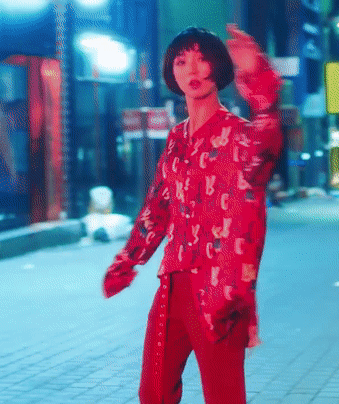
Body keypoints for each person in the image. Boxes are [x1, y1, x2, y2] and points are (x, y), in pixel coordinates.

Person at [103, 24, 282, 404]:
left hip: (221, 290)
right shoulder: (176, 138)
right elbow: (158, 207)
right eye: (182, 62)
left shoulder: (241, 136)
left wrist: (258, 77)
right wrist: (127, 261)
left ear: (218, 67)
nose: (193, 70)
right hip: (172, 285)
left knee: (223, 396)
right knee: (153, 392)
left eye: (202, 59)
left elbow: (268, 138)